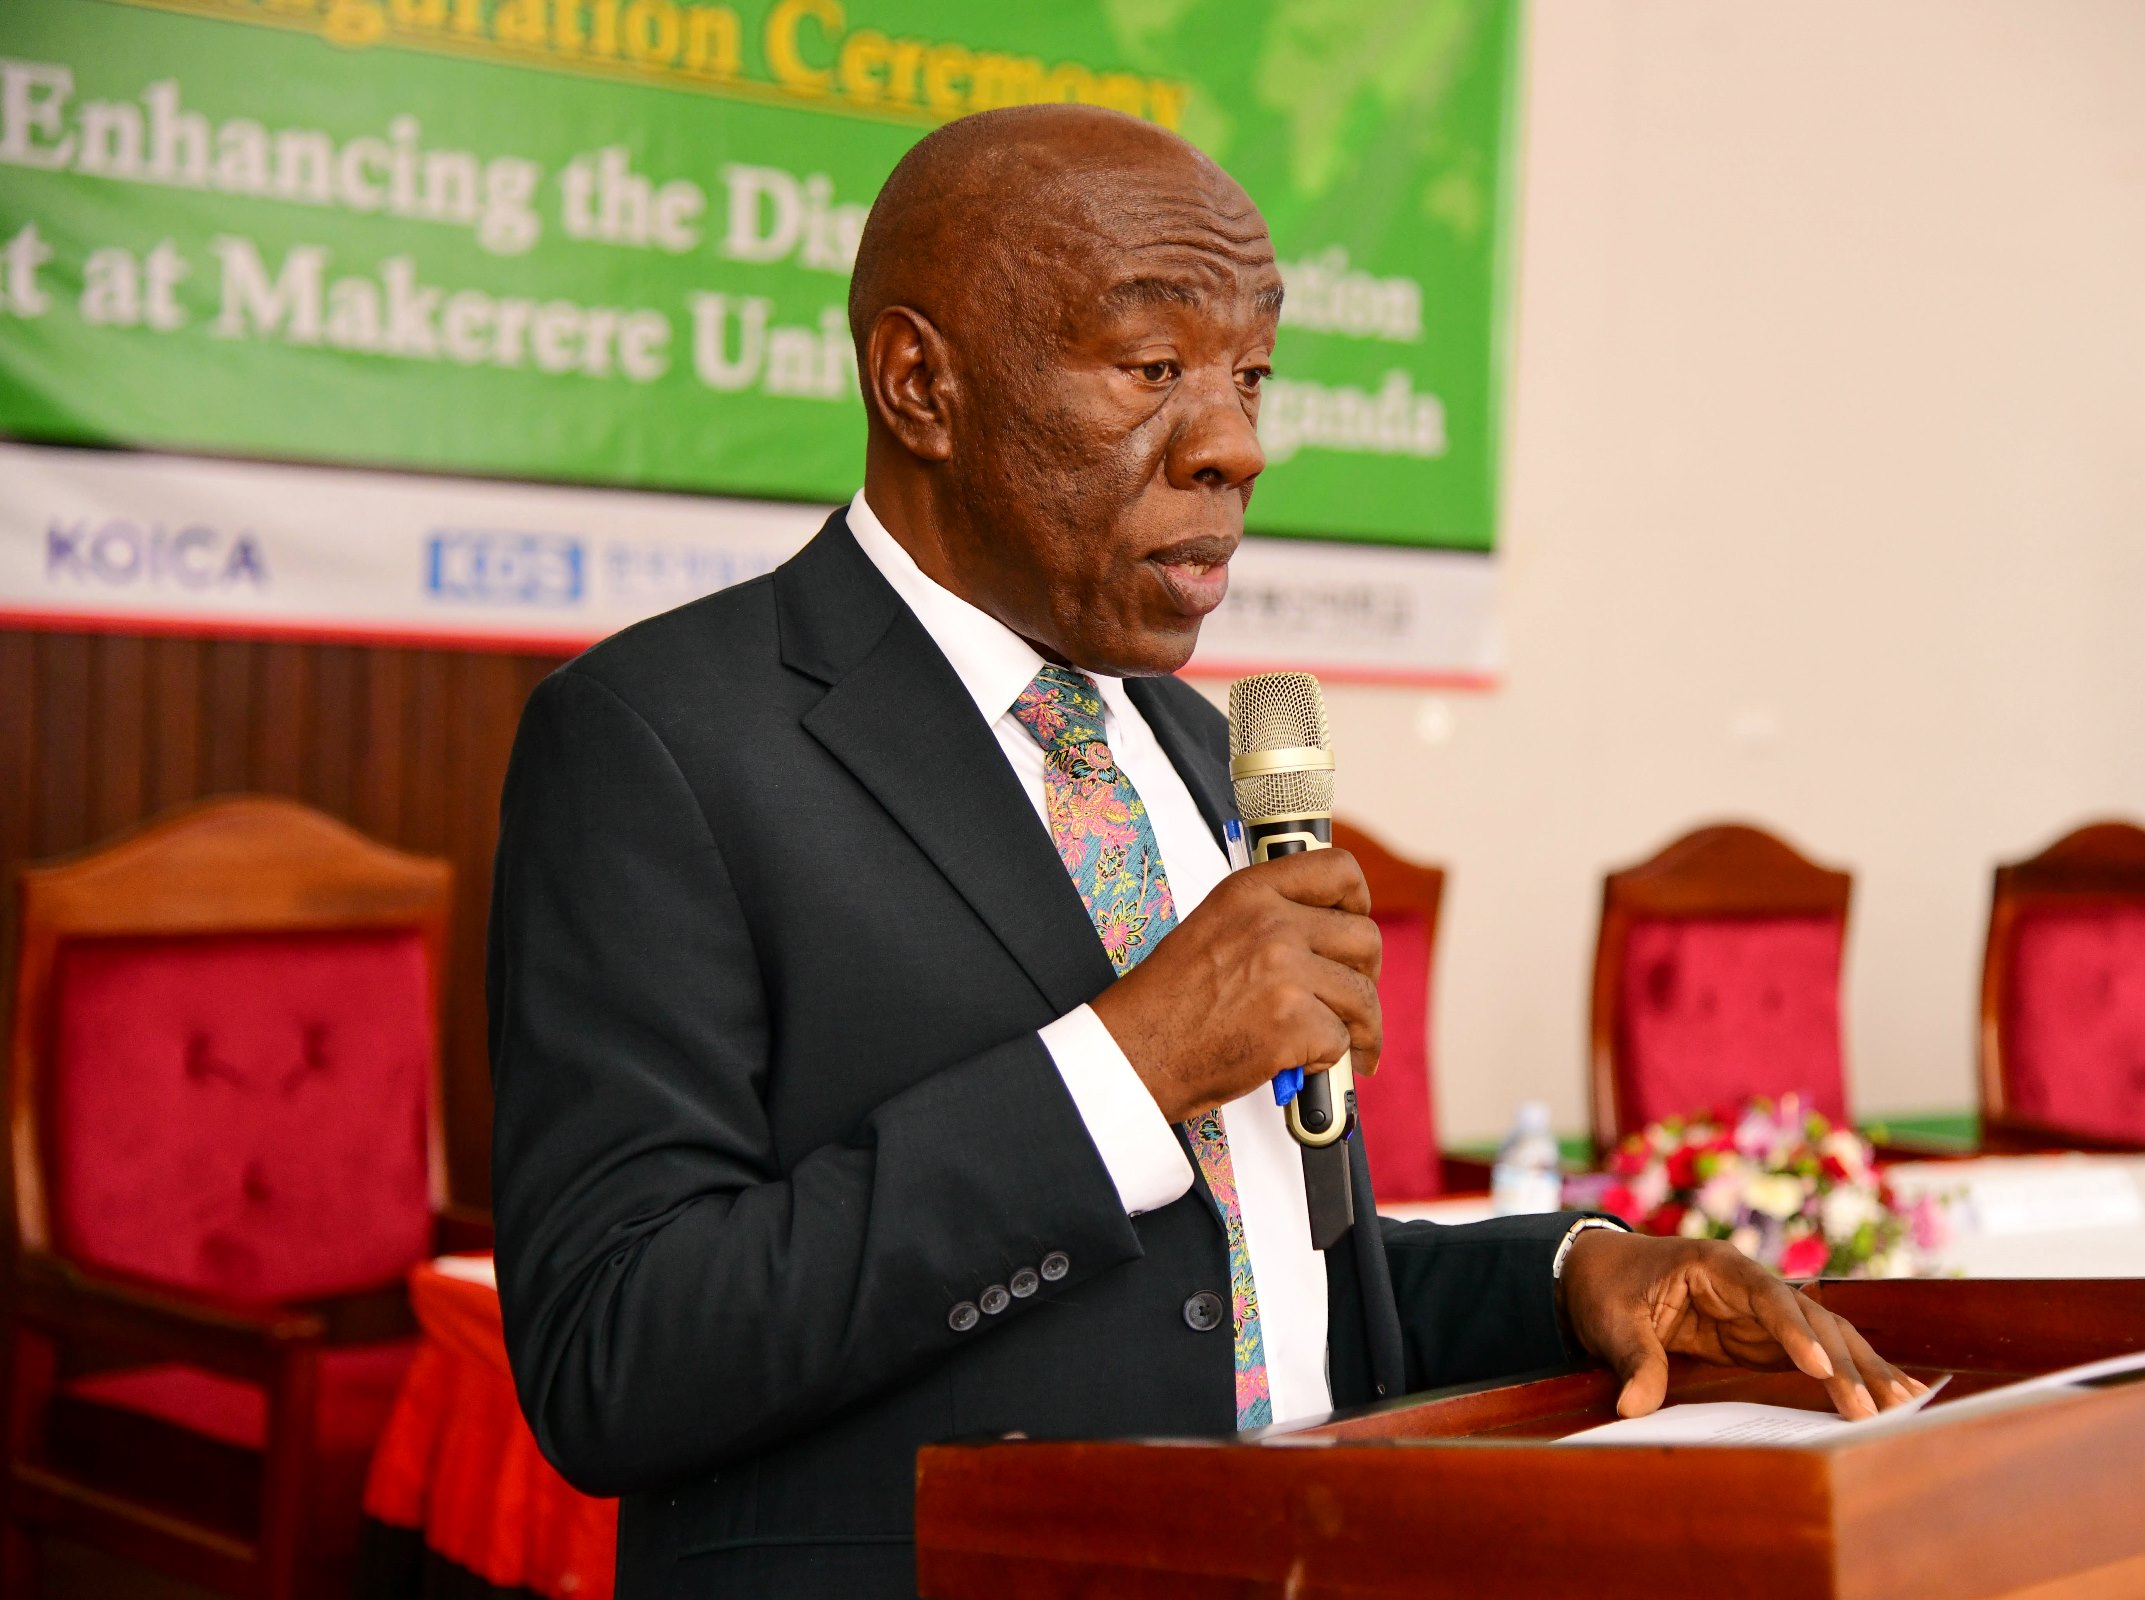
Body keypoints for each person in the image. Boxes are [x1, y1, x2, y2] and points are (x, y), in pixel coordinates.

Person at [488, 103, 1922, 1598]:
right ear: (921, 384)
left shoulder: (1186, 745)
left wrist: (1579, 1274)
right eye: (1154, 367)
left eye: (1250, 375)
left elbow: (1262, 1288)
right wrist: (1129, 1062)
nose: (1235, 442)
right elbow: (620, 1352)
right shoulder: (662, 740)